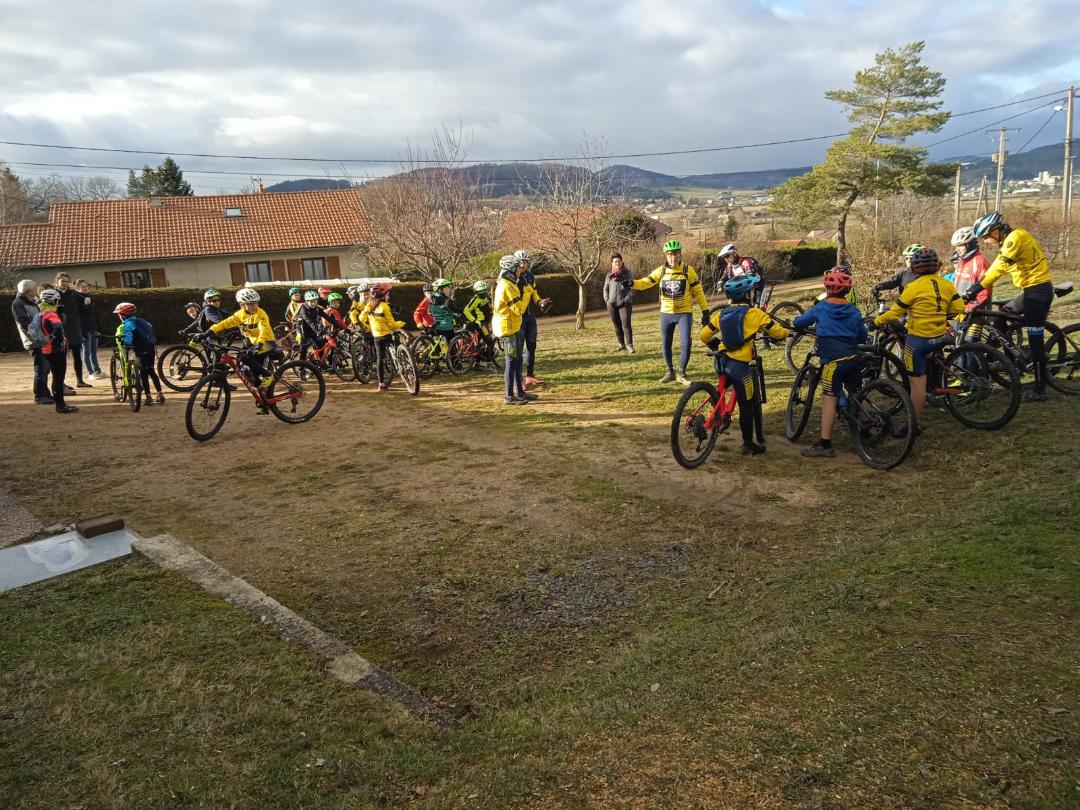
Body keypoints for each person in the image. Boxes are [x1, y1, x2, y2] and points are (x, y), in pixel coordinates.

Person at [963, 212, 1054, 401]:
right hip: (1030, 290)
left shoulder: (1015, 238)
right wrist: (979, 283)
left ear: (996, 231)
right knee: (999, 317)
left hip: (1038, 292)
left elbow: (1000, 267)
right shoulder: (1007, 241)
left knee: (1035, 340)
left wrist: (978, 286)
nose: (986, 241)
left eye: (986, 237)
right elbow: (996, 265)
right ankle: (1012, 361)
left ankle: (1040, 389)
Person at [875, 247, 965, 430]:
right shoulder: (947, 284)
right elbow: (958, 308)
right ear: (937, 266)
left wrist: (877, 321)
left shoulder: (913, 287)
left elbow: (895, 313)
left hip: (918, 340)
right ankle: (939, 386)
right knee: (933, 364)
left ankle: (912, 424)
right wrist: (940, 314)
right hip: (940, 336)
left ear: (915, 268)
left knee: (917, 385)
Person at [699, 275, 789, 455]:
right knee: (746, 404)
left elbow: (703, 335)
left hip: (721, 361)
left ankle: (720, 414)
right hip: (740, 367)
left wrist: (715, 344)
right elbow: (778, 333)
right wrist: (787, 331)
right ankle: (748, 444)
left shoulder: (721, 314)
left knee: (723, 388)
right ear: (748, 295)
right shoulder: (755, 314)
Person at [793, 269, 869, 458]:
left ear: (827, 288)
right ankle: (867, 424)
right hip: (854, 357)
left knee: (829, 398)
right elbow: (863, 336)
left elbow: (800, 322)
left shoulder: (822, 307)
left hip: (833, 362)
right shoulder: (853, 309)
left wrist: (795, 321)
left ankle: (825, 444)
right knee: (856, 392)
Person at [633, 239, 709, 385]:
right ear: (666, 256)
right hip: (666, 313)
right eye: (669, 254)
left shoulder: (688, 270)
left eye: (675, 254)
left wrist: (705, 311)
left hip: (684, 313)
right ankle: (669, 372)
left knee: (686, 343)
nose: (672, 257)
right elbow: (645, 282)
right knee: (666, 343)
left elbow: (698, 292)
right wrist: (631, 283)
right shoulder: (661, 271)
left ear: (680, 255)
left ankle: (682, 373)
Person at [204, 289, 281, 398]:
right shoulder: (240, 315)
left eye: (256, 303)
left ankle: (267, 375)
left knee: (245, 358)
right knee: (248, 375)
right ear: (242, 305)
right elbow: (225, 323)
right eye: (251, 304)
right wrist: (209, 332)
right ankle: (266, 399)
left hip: (267, 342)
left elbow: (263, 330)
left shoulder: (261, 313)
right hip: (253, 345)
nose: (255, 306)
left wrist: (259, 344)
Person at [493, 255, 540, 405]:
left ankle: (520, 392)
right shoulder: (507, 285)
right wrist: (527, 293)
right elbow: (519, 308)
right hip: (507, 329)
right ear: (511, 269)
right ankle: (509, 396)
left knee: (518, 360)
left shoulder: (511, 283)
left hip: (514, 326)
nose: (521, 270)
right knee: (511, 362)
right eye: (518, 268)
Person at [10, 279, 53, 405]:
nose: (36, 292)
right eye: (34, 289)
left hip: (42, 339)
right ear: (28, 291)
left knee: (45, 367)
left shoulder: (33, 302)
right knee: (41, 367)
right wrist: (39, 337)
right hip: (34, 340)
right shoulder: (18, 303)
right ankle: (40, 395)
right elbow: (24, 323)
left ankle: (44, 393)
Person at [114, 302, 165, 405]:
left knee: (143, 373)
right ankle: (160, 394)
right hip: (150, 349)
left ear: (123, 315)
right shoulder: (144, 322)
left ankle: (148, 397)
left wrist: (126, 344)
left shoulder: (127, 324)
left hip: (139, 351)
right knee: (151, 371)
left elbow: (128, 339)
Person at [36, 288, 78, 413]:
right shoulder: (52, 314)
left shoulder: (41, 313)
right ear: (53, 301)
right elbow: (58, 330)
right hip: (55, 350)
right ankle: (60, 405)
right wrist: (59, 343)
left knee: (56, 377)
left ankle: (60, 404)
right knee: (58, 378)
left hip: (46, 348)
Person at [360, 283, 406, 392]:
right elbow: (391, 324)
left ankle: (381, 384)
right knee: (399, 348)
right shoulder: (384, 306)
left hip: (376, 336)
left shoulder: (369, 305)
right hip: (387, 334)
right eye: (387, 295)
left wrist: (369, 327)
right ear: (382, 296)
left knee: (380, 359)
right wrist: (401, 323)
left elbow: (362, 318)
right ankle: (404, 366)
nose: (388, 297)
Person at [514, 249, 547, 388]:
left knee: (531, 346)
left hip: (530, 315)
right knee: (519, 348)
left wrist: (540, 302)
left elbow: (534, 293)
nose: (523, 265)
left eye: (526, 262)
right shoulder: (512, 277)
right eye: (521, 262)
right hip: (518, 316)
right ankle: (519, 380)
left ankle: (530, 375)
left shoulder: (530, 275)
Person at [54, 272, 91, 388]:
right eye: (62, 281)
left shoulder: (73, 293)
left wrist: (86, 301)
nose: (65, 283)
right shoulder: (54, 293)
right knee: (61, 358)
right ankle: (61, 383)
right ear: (57, 281)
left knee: (77, 356)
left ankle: (80, 381)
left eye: (67, 281)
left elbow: (84, 298)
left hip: (74, 327)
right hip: (60, 328)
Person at [950, 227, 991, 309]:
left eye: (960, 245)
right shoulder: (961, 261)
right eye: (956, 246)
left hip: (974, 314)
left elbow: (984, 292)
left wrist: (969, 308)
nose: (957, 249)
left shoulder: (980, 262)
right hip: (959, 311)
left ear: (970, 244)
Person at [603, 253, 635, 353]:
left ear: (622, 262)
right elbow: (605, 288)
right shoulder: (609, 275)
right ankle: (621, 345)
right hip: (611, 304)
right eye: (615, 261)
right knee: (617, 325)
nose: (617, 263)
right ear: (612, 263)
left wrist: (627, 299)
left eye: (619, 261)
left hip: (624, 304)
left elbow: (633, 289)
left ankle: (629, 345)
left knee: (626, 323)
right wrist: (607, 299)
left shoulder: (627, 273)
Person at [295, 290, 336, 364]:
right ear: (307, 301)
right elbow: (309, 321)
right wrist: (318, 331)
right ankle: (301, 368)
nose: (313, 303)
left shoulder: (317, 308)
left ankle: (320, 363)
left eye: (315, 301)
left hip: (312, 329)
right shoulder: (303, 309)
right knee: (304, 348)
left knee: (320, 345)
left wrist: (338, 325)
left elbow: (328, 317)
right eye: (311, 301)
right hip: (302, 330)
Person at [75, 280, 102, 380]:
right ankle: (91, 372)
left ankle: (97, 371)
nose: (85, 288)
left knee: (93, 352)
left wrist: (97, 328)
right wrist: (85, 305)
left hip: (93, 328)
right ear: (77, 288)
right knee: (86, 352)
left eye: (86, 286)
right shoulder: (77, 299)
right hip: (84, 329)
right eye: (83, 287)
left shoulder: (90, 298)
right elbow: (79, 315)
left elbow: (94, 315)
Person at [463, 279, 495, 358]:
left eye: (485, 291)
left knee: (482, 339)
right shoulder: (475, 300)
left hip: (488, 321)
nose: (483, 293)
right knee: (489, 339)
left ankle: (478, 356)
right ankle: (490, 356)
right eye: (481, 291)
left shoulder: (486, 297)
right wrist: (474, 320)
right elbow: (466, 310)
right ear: (477, 292)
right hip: (481, 323)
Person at [428, 278, 460, 350]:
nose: (449, 290)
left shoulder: (431, 299)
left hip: (437, 326)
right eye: (447, 288)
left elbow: (429, 311)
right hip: (447, 327)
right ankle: (452, 358)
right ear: (441, 290)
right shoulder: (447, 300)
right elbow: (457, 311)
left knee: (440, 347)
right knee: (452, 347)